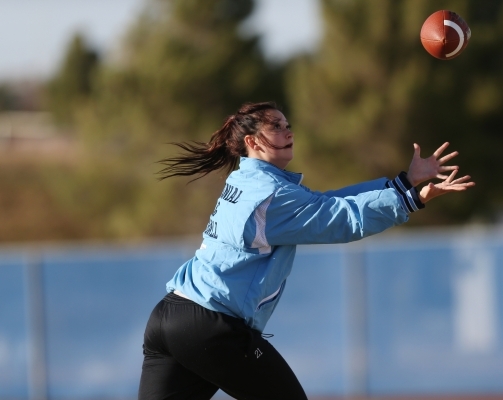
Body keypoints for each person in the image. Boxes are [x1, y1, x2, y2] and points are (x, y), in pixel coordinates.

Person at [138, 101, 474, 400]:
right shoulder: (271, 195)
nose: (287, 131)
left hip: (169, 317)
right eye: (276, 126)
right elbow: (342, 220)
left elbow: (325, 203)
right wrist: (412, 199)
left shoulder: (249, 181)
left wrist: (401, 184)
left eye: (287, 125)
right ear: (252, 142)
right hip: (212, 326)